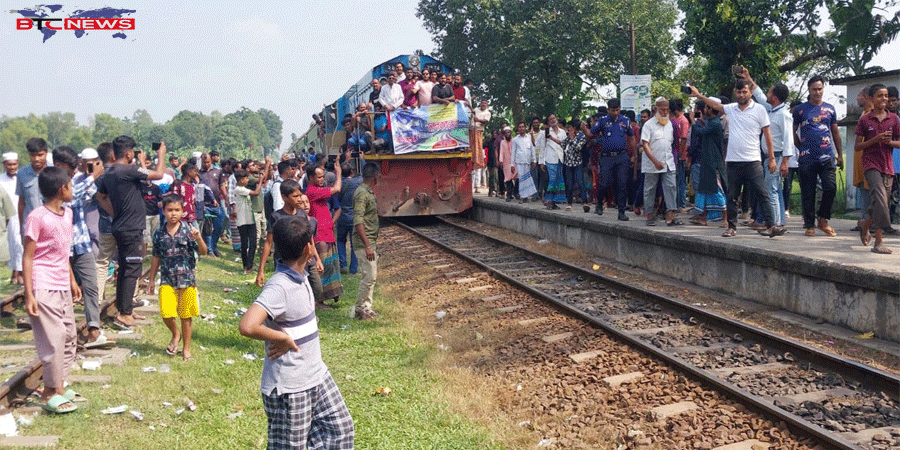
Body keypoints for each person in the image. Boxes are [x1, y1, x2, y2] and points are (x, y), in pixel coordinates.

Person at [239, 215, 354, 449]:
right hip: (291, 387)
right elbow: (247, 325)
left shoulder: (302, 276)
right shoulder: (280, 286)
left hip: (316, 375)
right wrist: (282, 337)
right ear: (307, 248)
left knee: (340, 430)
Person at [691, 81, 785, 237]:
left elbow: (768, 135)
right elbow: (716, 105)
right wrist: (698, 95)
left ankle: (771, 226)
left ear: (750, 93)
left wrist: (772, 158)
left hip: (753, 160)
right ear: (735, 92)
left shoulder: (760, 110)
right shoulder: (732, 108)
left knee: (762, 193)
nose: (741, 95)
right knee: (732, 196)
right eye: (739, 92)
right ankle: (731, 227)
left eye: (744, 92)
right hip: (733, 161)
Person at [23, 166, 81, 414]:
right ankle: (50, 391)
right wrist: (29, 294)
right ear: (61, 188)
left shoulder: (68, 214)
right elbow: (28, 257)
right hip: (43, 283)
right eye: (70, 185)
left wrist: (72, 279)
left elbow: (63, 252)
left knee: (69, 336)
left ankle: (59, 384)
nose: (72, 189)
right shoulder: (37, 217)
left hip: (61, 283)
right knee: (54, 340)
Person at [96, 136, 167, 329]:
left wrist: (115, 213)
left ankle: (124, 308)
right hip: (131, 227)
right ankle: (125, 314)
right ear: (128, 154)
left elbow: (100, 196)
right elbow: (159, 174)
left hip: (121, 225)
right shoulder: (129, 170)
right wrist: (161, 155)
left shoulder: (110, 172)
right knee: (132, 269)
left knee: (126, 268)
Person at [52, 146, 106, 347]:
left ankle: (94, 329)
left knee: (91, 286)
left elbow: (90, 194)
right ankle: (62, 334)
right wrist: (92, 177)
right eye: (72, 167)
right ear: (59, 165)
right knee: (63, 291)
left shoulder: (77, 181)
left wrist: (94, 177)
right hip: (62, 246)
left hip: (82, 243)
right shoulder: (51, 182)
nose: (75, 170)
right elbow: (71, 199)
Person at [145, 195, 207, 360]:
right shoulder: (159, 233)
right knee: (166, 313)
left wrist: (198, 238)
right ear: (164, 211)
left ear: (182, 211)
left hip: (187, 279)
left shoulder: (189, 231)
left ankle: (186, 348)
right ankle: (175, 333)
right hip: (167, 279)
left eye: (177, 210)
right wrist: (151, 280)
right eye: (170, 210)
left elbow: (203, 252)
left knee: (186, 316)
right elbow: (156, 256)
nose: (173, 213)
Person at [794, 75, 843, 237]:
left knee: (830, 187)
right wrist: (802, 148)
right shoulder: (800, 110)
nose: (817, 92)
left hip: (827, 156)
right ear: (809, 90)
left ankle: (823, 220)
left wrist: (840, 155)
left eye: (820, 89)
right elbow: (793, 133)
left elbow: (835, 132)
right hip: (807, 158)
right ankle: (809, 224)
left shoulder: (830, 109)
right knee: (808, 193)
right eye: (814, 89)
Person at [745, 70, 795, 228]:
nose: (767, 94)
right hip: (770, 157)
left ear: (774, 97)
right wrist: (748, 77)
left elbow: (788, 139)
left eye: (770, 92)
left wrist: (785, 161)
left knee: (770, 191)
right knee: (775, 190)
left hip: (777, 157)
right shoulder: (772, 110)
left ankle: (773, 224)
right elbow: (759, 95)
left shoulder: (783, 114)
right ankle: (779, 221)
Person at [854, 84, 900, 254]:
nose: (884, 99)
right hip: (870, 163)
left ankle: (865, 224)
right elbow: (857, 146)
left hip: (887, 164)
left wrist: (889, 142)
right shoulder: (865, 120)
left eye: (886, 96)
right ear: (872, 99)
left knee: (881, 202)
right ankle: (879, 240)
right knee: (880, 195)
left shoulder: (894, 119)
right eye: (880, 96)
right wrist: (876, 139)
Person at [584, 98, 634, 220]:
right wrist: (584, 129)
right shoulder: (602, 121)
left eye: (617, 110)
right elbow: (591, 134)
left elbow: (631, 137)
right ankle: (599, 203)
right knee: (604, 183)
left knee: (622, 183)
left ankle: (621, 212)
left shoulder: (625, 120)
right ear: (608, 110)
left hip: (621, 156)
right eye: (613, 110)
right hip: (607, 157)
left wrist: (634, 155)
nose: (615, 113)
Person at [304, 161, 344, 307]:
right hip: (320, 236)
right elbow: (337, 188)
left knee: (330, 265)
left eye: (323, 177)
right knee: (321, 268)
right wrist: (338, 173)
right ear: (311, 178)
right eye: (319, 177)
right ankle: (318, 299)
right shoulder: (312, 191)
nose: (322, 180)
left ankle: (327, 295)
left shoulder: (317, 190)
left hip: (327, 233)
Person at [640, 97, 680, 226]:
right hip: (652, 162)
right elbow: (645, 145)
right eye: (662, 110)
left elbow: (674, 144)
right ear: (656, 109)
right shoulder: (648, 125)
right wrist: (655, 161)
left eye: (667, 110)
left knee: (671, 186)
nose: (665, 112)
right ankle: (649, 215)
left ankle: (671, 215)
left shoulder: (670, 124)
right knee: (650, 189)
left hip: (668, 161)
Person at [688, 98, 727, 226]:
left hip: (713, 162)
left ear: (710, 109)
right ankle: (702, 217)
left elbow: (700, 132)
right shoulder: (711, 122)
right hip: (707, 161)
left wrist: (693, 121)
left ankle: (725, 218)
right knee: (704, 190)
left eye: (706, 107)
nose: (704, 110)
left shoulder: (715, 123)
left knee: (717, 190)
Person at [233, 160, 272, 274]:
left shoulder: (244, 188)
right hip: (242, 220)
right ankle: (246, 265)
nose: (247, 180)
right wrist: (260, 183)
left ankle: (249, 265)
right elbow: (256, 192)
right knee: (245, 243)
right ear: (241, 180)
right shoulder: (239, 189)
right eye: (246, 179)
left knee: (253, 242)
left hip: (250, 219)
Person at [352, 162, 380, 320]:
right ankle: (360, 309)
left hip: (368, 241)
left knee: (371, 277)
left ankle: (366, 308)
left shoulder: (366, 192)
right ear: (375, 177)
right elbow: (358, 222)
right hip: (364, 243)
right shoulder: (362, 194)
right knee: (368, 277)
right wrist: (367, 245)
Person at [17, 138, 49, 239]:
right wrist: (21, 227)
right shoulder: (22, 174)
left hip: (51, 225)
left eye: (40, 155)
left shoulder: (54, 171)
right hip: (31, 226)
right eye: (33, 155)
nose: (36, 159)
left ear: (46, 153)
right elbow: (22, 202)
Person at [0, 152, 22, 285]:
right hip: (6, 216)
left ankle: (19, 272)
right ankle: (15, 270)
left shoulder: (22, 176)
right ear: (4, 165)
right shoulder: (0, 180)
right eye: (9, 164)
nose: (12, 167)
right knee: (11, 243)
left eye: (14, 164)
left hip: (21, 212)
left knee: (20, 242)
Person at [536, 114, 566, 209]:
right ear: (548, 122)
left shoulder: (562, 132)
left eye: (554, 118)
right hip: (550, 158)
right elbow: (542, 147)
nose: (553, 120)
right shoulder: (545, 132)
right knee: (552, 178)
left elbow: (565, 144)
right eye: (550, 119)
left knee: (559, 179)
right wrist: (542, 162)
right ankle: (548, 198)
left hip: (560, 158)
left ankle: (555, 201)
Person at [200, 153, 226, 257]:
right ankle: (210, 250)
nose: (206, 164)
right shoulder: (198, 173)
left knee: (219, 226)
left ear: (211, 161)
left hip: (216, 204)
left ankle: (214, 246)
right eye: (204, 162)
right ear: (201, 161)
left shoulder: (218, 172)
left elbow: (221, 185)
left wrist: (227, 198)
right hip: (204, 205)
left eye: (208, 162)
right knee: (208, 228)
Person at [336, 163, 361, 275]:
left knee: (341, 241)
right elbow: (362, 174)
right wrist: (361, 159)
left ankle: (343, 264)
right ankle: (353, 269)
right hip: (354, 217)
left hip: (341, 216)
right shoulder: (357, 182)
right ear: (351, 171)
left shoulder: (339, 184)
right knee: (354, 244)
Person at [562, 120, 588, 211]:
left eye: (570, 127)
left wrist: (572, 139)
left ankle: (584, 202)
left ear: (574, 128)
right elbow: (563, 144)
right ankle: (569, 203)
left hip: (578, 162)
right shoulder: (568, 137)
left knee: (580, 182)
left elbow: (578, 148)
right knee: (569, 183)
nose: (569, 129)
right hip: (568, 163)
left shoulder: (582, 137)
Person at [512, 122, 537, 203]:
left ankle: (526, 196)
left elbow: (532, 149)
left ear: (525, 128)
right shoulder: (515, 139)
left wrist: (534, 160)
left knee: (527, 179)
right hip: (519, 162)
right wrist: (512, 164)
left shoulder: (529, 137)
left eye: (523, 127)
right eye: (520, 127)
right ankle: (522, 196)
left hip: (527, 162)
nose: (521, 128)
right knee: (521, 179)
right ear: (518, 128)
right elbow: (513, 152)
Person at [498, 126, 517, 201]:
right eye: (506, 133)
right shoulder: (502, 142)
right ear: (504, 134)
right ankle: (509, 195)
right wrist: (501, 161)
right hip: (506, 163)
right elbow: (501, 152)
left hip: (514, 162)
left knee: (516, 177)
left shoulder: (514, 141)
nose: (507, 134)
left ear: (511, 133)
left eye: (508, 132)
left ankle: (515, 193)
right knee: (508, 179)